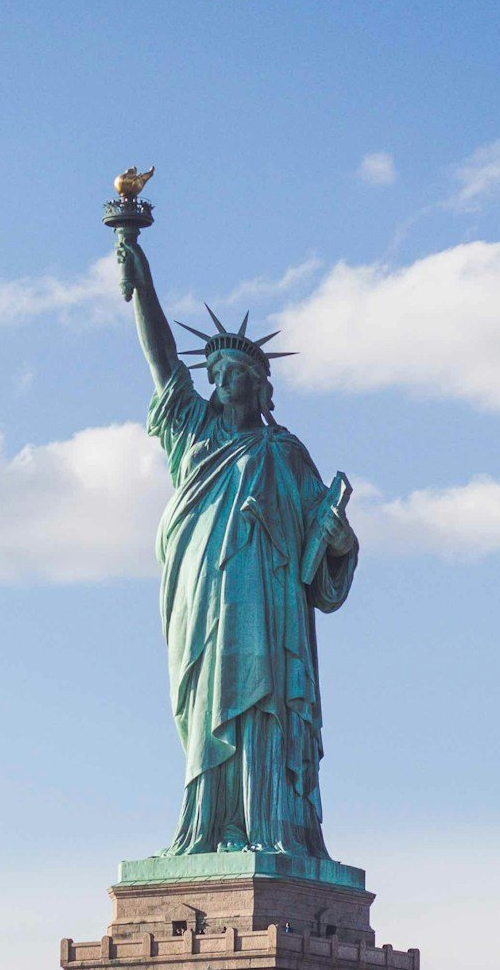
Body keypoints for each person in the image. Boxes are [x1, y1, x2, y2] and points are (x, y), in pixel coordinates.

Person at [117, 228, 357, 859]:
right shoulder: (192, 432)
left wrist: (335, 539)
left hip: (267, 606)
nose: (220, 383)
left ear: (258, 385)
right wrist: (140, 282)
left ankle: (270, 828)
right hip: (203, 597)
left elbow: (322, 554)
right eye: (215, 374)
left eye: (233, 375)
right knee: (206, 708)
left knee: (266, 707)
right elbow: (162, 358)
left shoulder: (285, 454)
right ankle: (208, 825)